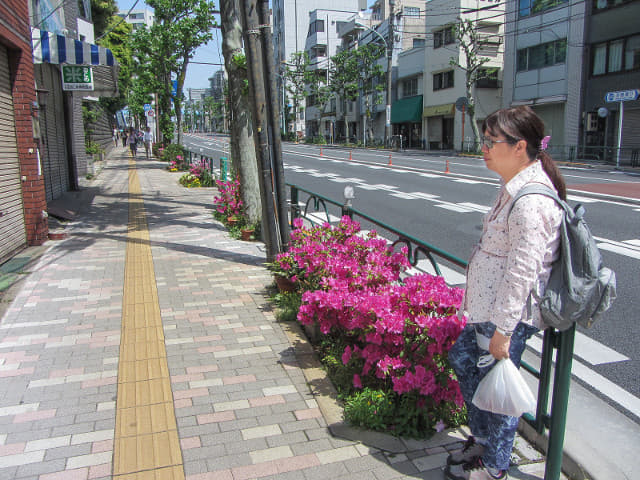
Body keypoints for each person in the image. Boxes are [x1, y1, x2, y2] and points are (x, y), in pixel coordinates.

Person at [445, 106, 566, 480]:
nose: (483, 148)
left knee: (500, 392)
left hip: (504, 315)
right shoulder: (512, 186)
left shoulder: (531, 202)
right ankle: (482, 441)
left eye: (490, 141)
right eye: (483, 140)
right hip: (487, 308)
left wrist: (504, 331)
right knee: (465, 359)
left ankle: (495, 467)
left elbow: (523, 273)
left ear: (520, 147)